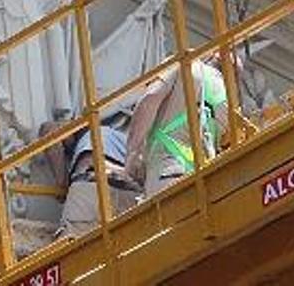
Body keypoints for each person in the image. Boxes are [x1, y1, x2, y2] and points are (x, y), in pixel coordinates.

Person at [125, 58, 231, 197]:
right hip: (205, 183)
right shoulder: (227, 102)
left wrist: (133, 153)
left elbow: (150, 98)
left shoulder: (185, 63)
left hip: (169, 172)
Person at [40, 113, 141, 238]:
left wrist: (62, 182)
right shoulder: (127, 140)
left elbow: (49, 129)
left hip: (92, 183)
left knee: (73, 250)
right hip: (131, 191)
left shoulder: (94, 134)